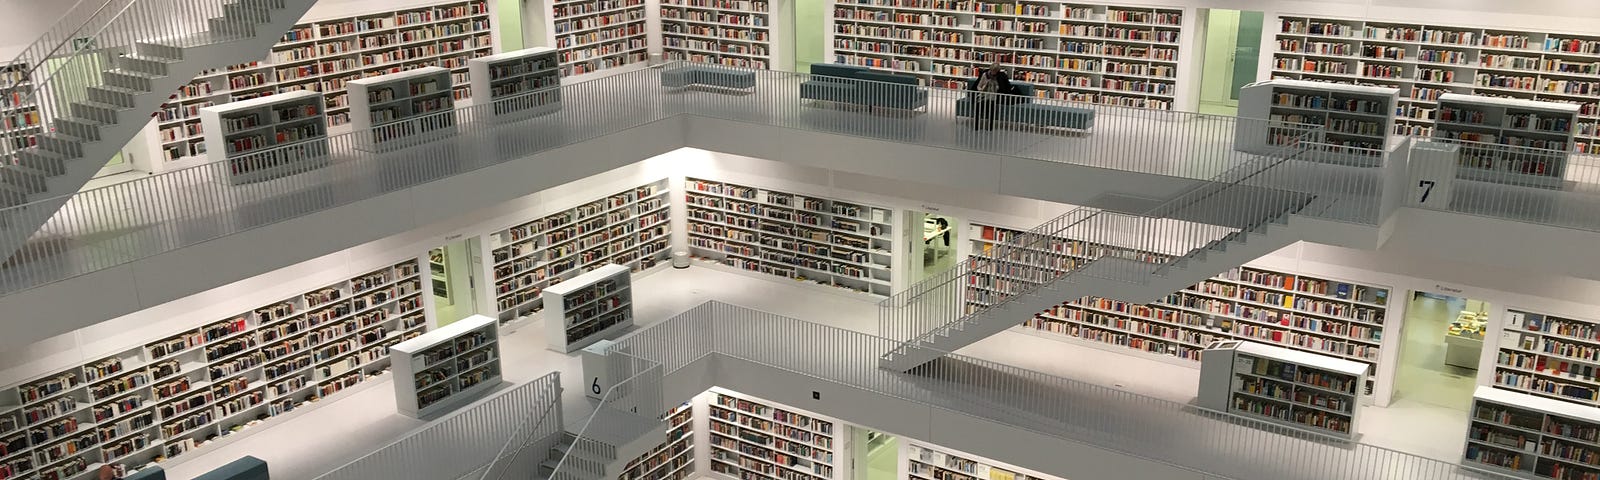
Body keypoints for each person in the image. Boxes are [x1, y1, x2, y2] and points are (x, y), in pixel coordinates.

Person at [970, 62, 1011, 131]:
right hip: (983, 96)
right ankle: (976, 126)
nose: (993, 72)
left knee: (990, 107)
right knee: (979, 106)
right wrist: (982, 89)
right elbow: (978, 86)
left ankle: (989, 127)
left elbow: (1004, 88)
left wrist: (997, 87)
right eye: (992, 70)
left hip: (993, 97)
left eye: (994, 71)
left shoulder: (1000, 77)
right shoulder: (985, 75)